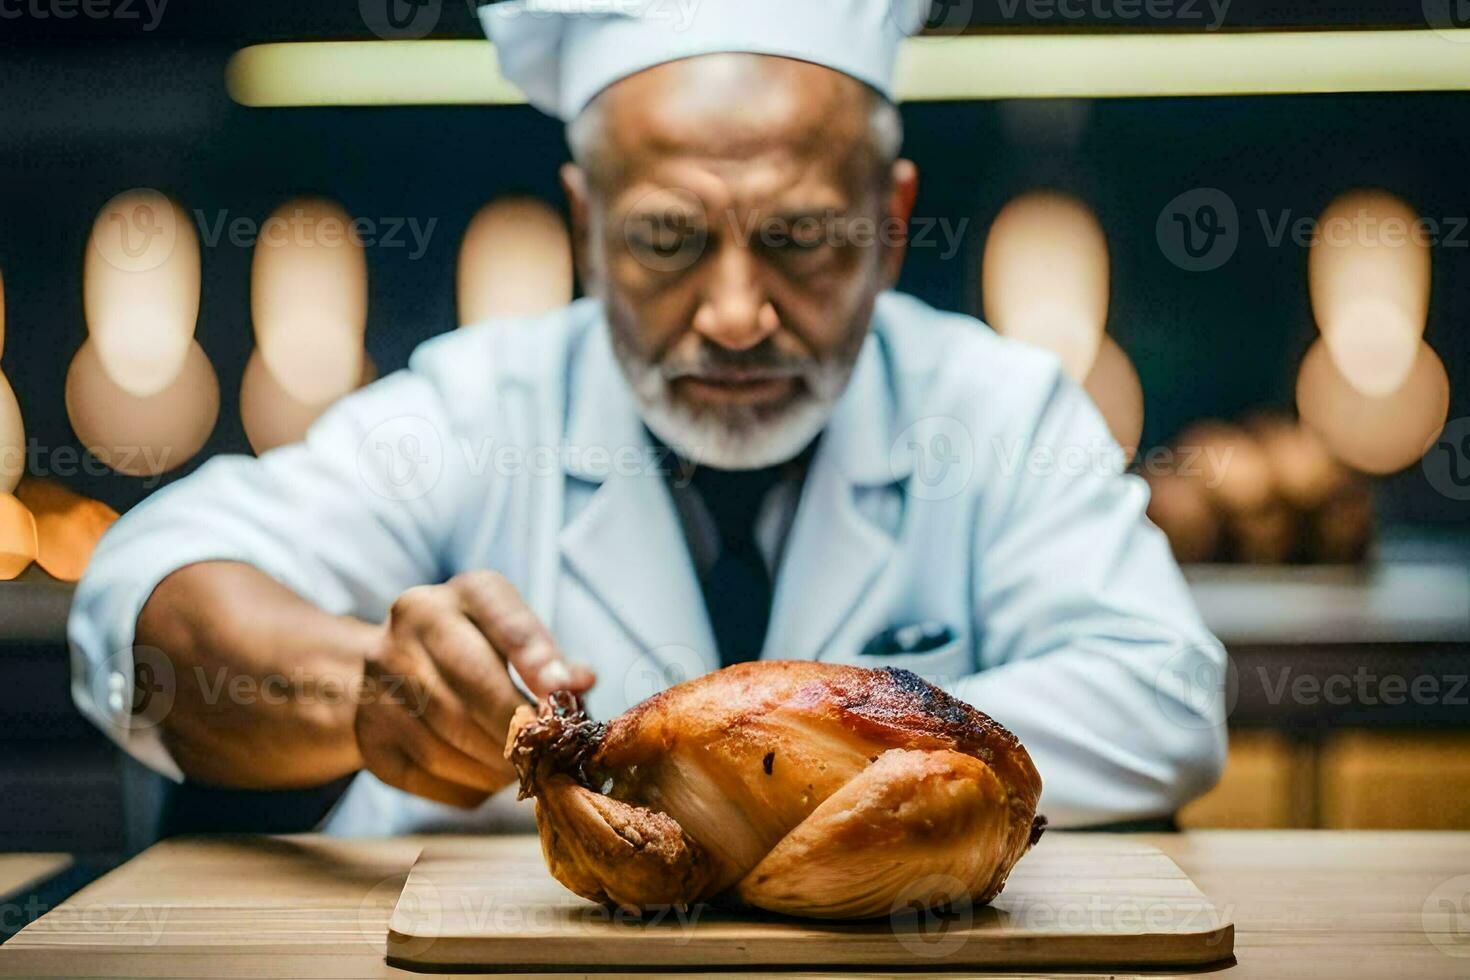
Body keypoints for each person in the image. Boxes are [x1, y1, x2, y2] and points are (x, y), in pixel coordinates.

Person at [69, 0, 1226, 835]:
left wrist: (746, 755)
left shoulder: (995, 408)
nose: (732, 314)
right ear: (585, 226)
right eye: (667, 240)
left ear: (893, 218)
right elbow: (142, 597)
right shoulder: (483, 407)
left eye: (802, 238)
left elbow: (1161, 699)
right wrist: (367, 688)